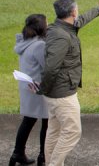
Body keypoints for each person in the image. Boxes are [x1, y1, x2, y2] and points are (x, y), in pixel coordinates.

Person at [39, 0, 99, 166]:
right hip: (62, 94)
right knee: (73, 131)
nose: (78, 13)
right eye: (77, 10)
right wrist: (44, 88)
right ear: (73, 12)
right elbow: (51, 68)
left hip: (56, 93)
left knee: (55, 131)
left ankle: (51, 161)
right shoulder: (61, 36)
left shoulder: (62, 27)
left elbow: (80, 21)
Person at [10, 14, 49, 166]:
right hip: (38, 87)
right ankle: (43, 156)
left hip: (27, 86)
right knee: (47, 123)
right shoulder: (39, 45)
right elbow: (47, 66)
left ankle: (17, 153)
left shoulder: (25, 42)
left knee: (28, 121)